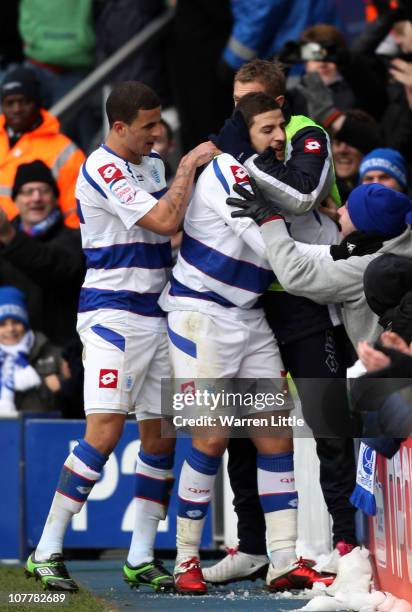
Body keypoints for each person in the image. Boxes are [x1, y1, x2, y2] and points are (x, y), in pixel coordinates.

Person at [24, 80, 217, 593]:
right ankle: (45, 551)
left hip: (159, 314)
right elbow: (162, 219)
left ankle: (140, 555)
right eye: (149, 125)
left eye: (160, 122)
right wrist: (186, 169)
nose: (159, 132)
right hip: (113, 314)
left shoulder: (149, 164)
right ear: (119, 127)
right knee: (105, 432)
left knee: (160, 438)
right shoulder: (102, 165)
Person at [160, 92, 332, 594]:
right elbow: (275, 251)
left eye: (281, 127)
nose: (279, 137)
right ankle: (185, 560)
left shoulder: (264, 176)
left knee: (275, 437)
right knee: (211, 439)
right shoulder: (225, 174)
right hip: (200, 318)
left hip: (249, 317)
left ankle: (282, 561)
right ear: (244, 132)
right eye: (267, 129)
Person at [204, 58, 357, 586]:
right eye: (237, 102)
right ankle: (251, 546)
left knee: (327, 419)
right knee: (246, 426)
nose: (241, 111)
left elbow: (300, 195)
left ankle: (346, 541)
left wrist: (244, 153)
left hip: (307, 295)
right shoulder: (234, 139)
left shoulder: (304, 133)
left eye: (254, 103)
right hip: (248, 299)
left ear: (279, 104)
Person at [226, 183, 412, 353]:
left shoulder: (367, 267)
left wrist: (270, 220)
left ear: (362, 225)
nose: (338, 210)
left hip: (384, 369)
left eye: (347, 209)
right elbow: (338, 251)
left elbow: (296, 276)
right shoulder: (398, 242)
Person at [0, 160, 84, 347]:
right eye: (28, 192)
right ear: (15, 199)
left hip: (63, 357)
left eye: (44, 191)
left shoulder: (74, 239)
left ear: (55, 198)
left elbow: (56, 267)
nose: (36, 198)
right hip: (10, 357)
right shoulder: (3, 243)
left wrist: (8, 235)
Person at [0, 67, 85, 228]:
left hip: (36, 245)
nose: (17, 109)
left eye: (24, 101)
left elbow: (74, 216)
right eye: (10, 103)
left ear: (38, 103)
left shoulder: (65, 151)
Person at [0, 286, 62, 415]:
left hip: (40, 431)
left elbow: (74, 404)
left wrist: (53, 387)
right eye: (2, 324)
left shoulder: (54, 354)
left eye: (16, 322)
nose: (10, 329)